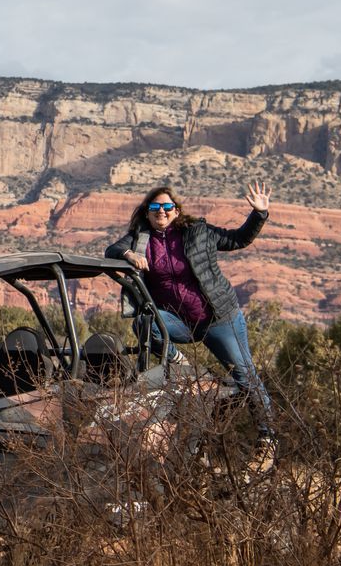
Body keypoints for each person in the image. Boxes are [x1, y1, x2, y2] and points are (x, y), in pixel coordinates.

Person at [106, 182, 277, 460]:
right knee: (145, 323)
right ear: (147, 212)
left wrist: (259, 214)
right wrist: (129, 254)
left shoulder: (198, 231)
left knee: (245, 376)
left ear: (176, 211)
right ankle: (178, 361)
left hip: (219, 318)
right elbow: (111, 251)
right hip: (179, 322)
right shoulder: (140, 238)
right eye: (155, 207)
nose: (161, 211)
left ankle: (267, 438)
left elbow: (238, 239)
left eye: (166, 207)